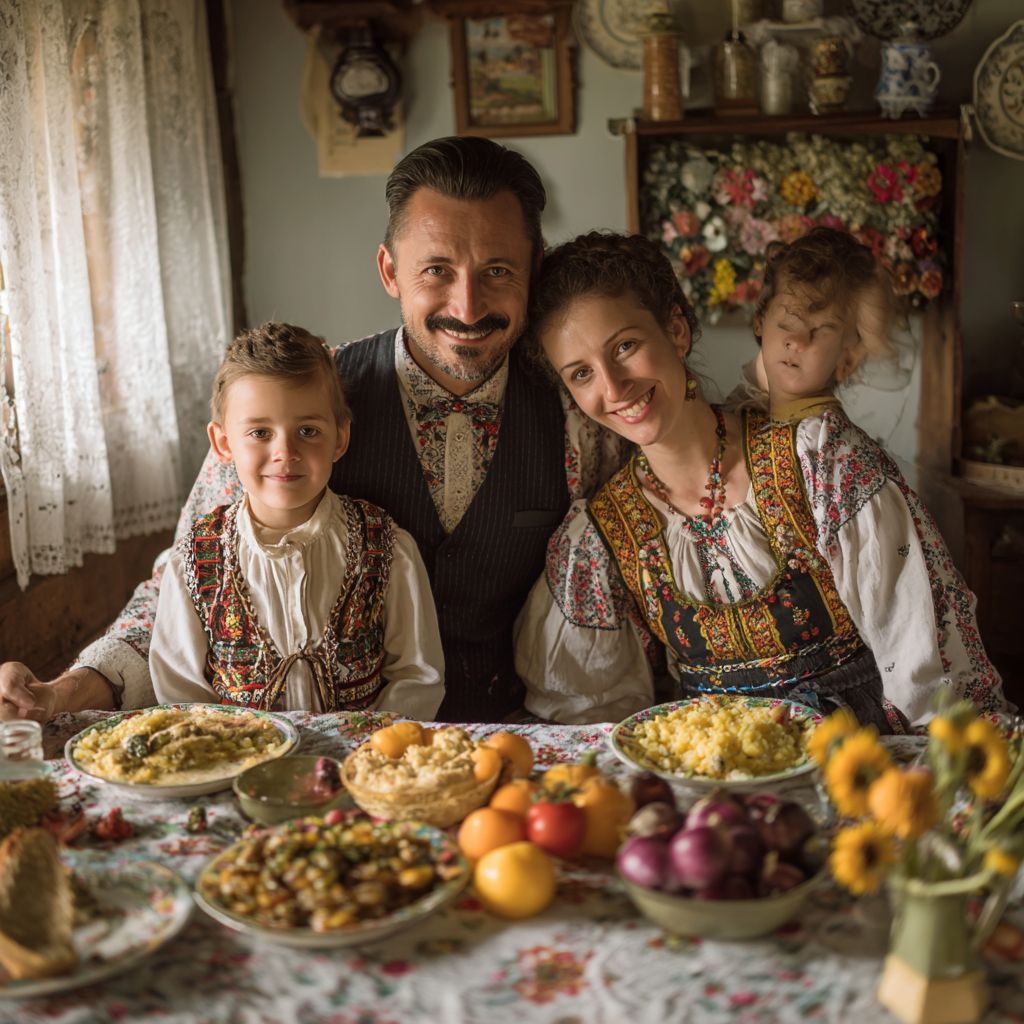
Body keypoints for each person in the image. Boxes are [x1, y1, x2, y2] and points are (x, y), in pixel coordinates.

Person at [0, 137, 623, 724]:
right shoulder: (296, 403)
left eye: (497, 271)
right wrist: (63, 691)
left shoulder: (579, 411)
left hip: (509, 737)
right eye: (436, 270)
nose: (466, 306)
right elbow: (187, 584)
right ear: (389, 271)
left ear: (534, 269)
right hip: (331, 760)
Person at [513, 231, 1005, 727]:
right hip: (717, 783)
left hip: (857, 761)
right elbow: (591, 713)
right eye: (580, 374)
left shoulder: (819, 462)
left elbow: (923, 653)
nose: (613, 387)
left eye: (625, 346)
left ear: (677, 332)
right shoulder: (606, 534)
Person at [149, 322, 444, 718]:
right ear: (223, 443)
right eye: (259, 432)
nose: (285, 452)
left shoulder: (388, 548)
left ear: (340, 438)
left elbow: (416, 675)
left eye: (308, 430)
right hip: (242, 764)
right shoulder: (191, 561)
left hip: (360, 764)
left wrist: (372, 749)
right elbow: (180, 689)